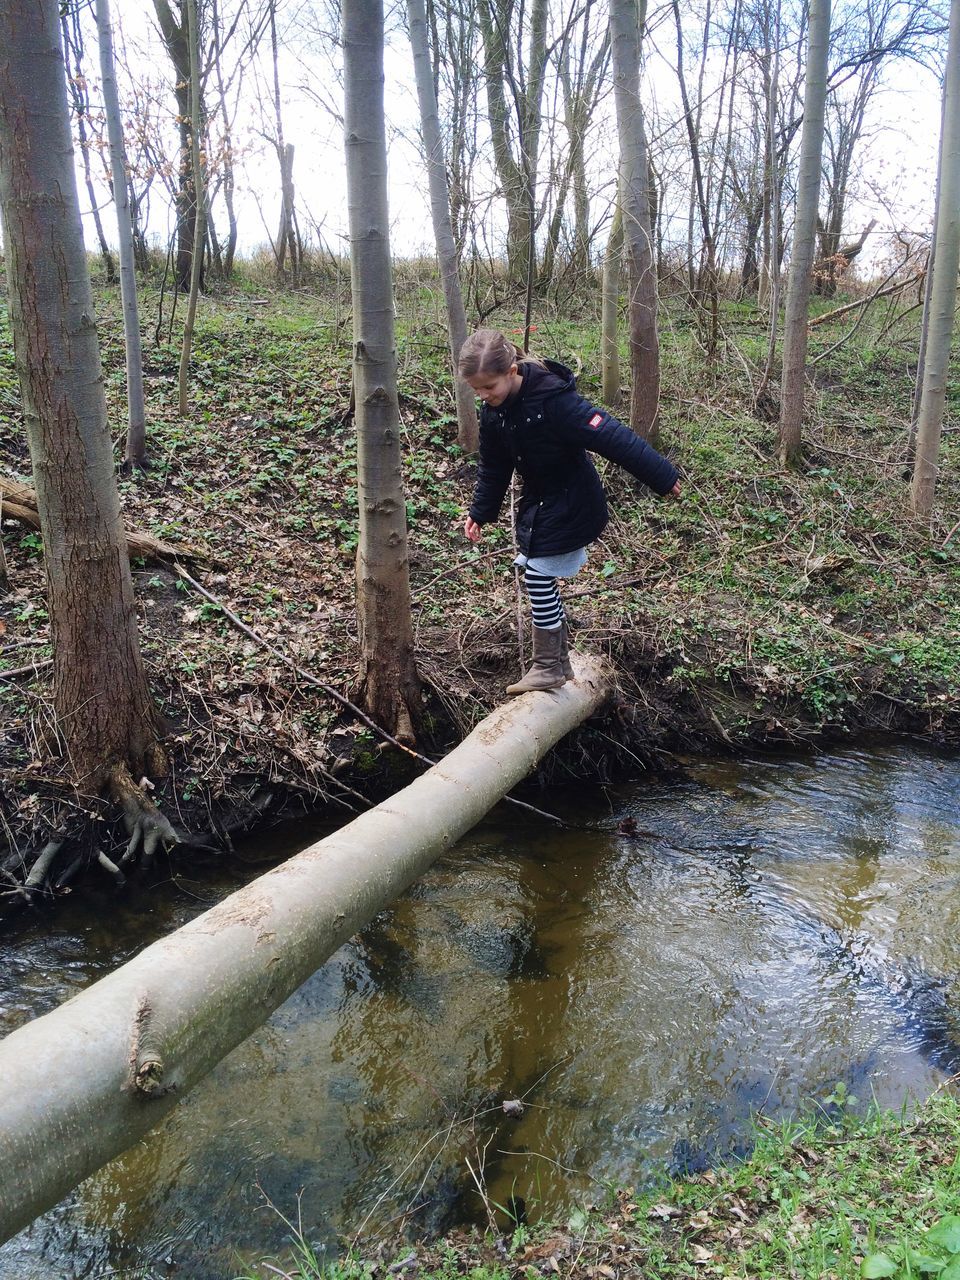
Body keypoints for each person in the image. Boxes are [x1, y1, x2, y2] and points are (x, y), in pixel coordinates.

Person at [459, 328, 681, 695]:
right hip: (542, 501)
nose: (484, 396)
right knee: (534, 572)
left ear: (512, 370)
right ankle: (558, 663)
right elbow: (493, 467)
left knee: (537, 574)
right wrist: (480, 512)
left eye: (490, 388)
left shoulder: (554, 400)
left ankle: (547, 665)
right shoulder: (493, 415)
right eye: (477, 390)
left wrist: (662, 475)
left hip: (574, 500)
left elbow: (611, 436)